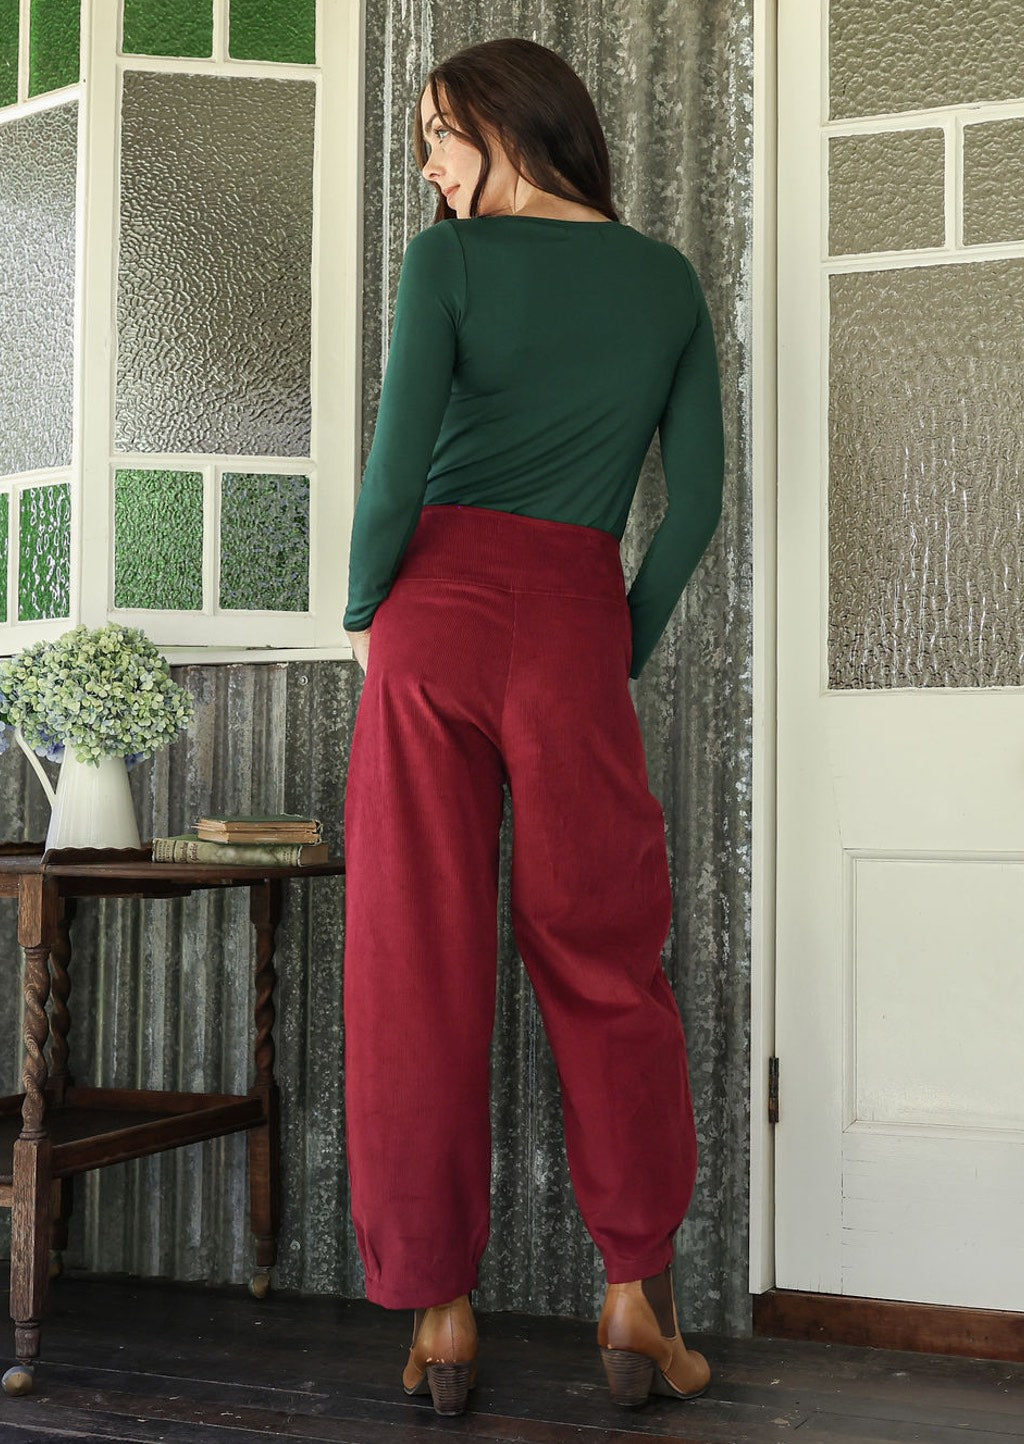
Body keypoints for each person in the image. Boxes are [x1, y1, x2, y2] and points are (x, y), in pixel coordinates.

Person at [342, 36, 724, 1418]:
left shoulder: (448, 266)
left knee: (414, 957)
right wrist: (611, 645)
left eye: (442, 137)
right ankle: (634, 1296)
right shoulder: (667, 280)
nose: (433, 169)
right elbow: (691, 511)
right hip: (573, 619)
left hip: (433, 612)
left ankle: (442, 1319)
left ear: (512, 128)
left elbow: (396, 462)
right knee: (606, 950)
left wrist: (363, 604)